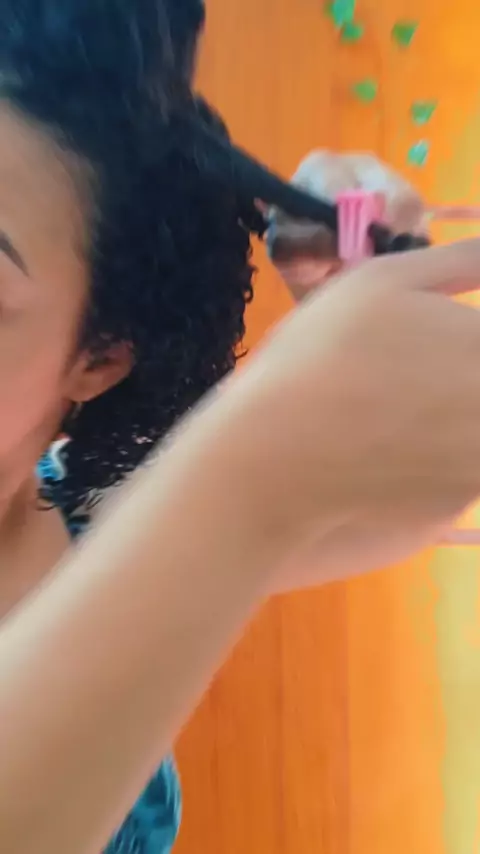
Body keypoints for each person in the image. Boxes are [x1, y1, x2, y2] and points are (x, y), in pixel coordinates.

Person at [1, 1, 479, 853]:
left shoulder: (101, 523)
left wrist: (351, 334)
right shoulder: (193, 516)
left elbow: (393, 507)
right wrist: (252, 471)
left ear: (99, 356)